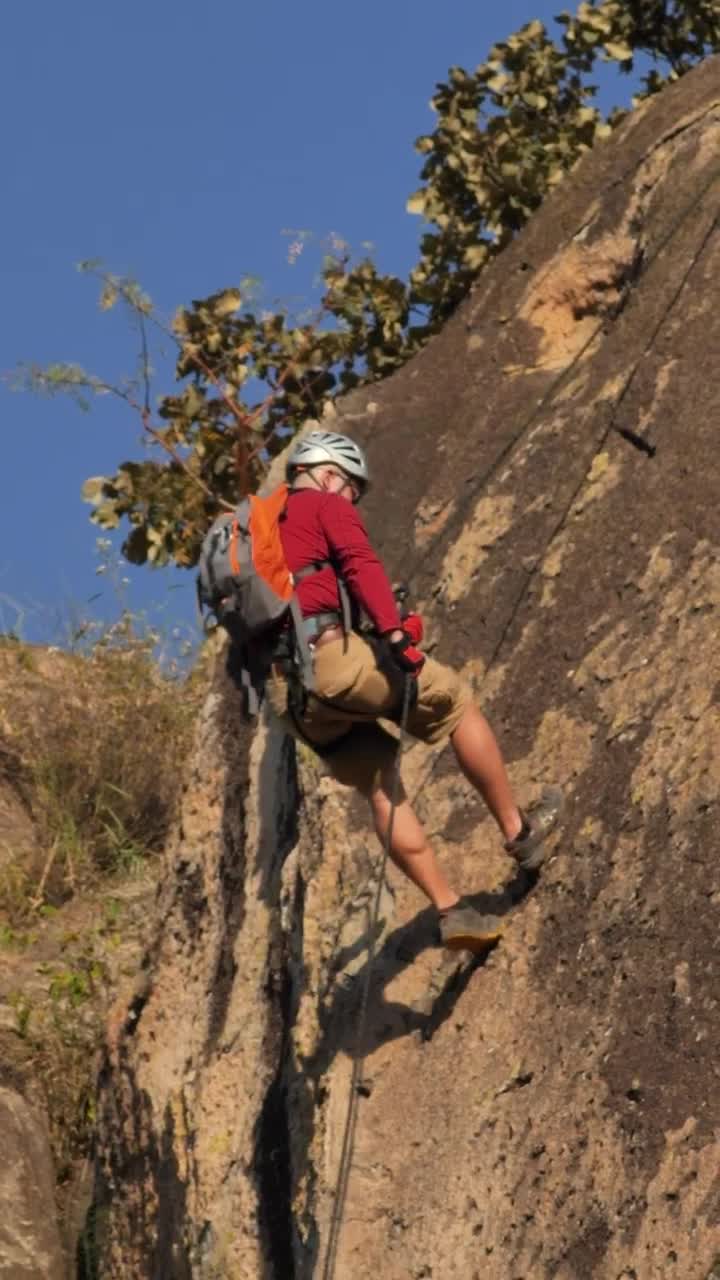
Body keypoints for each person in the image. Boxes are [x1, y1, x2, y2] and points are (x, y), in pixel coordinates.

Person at [266, 430, 562, 950]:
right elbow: (359, 562)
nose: (350, 501)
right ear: (329, 474)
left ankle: (451, 911)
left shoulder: (262, 530)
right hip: (331, 660)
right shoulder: (319, 503)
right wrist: (396, 634)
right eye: (351, 490)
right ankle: (522, 836)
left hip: (291, 699)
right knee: (455, 703)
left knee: (381, 785)